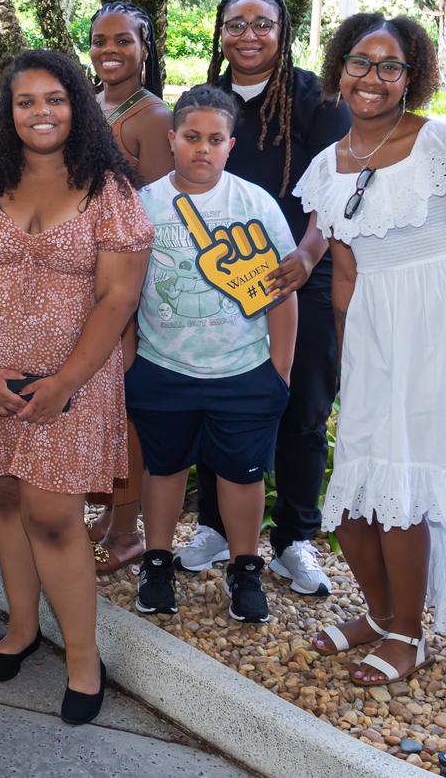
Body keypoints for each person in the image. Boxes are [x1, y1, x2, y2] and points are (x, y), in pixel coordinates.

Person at [293, 12, 446, 686]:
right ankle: (379, 612)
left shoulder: (440, 142)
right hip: (373, 329)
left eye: (389, 65)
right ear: (340, 66)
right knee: (357, 492)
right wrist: (348, 356)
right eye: (360, 62)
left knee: (403, 483)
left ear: (411, 77)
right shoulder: (328, 164)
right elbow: (341, 271)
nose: (371, 77)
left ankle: (408, 633)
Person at [0, 50, 152, 725]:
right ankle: (22, 626)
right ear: (8, 110)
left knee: (54, 516)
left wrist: (64, 383)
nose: (41, 112)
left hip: (71, 384)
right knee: (2, 493)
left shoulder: (111, 191)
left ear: (77, 104)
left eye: (55, 99)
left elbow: (117, 300)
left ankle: (83, 657)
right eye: (25, 101)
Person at [186, 0, 349, 598]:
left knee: (303, 405)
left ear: (284, 31)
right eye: (235, 24)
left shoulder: (317, 102)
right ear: (219, 33)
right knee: (215, 396)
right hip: (221, 276)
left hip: (299, 273)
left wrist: (307, 254)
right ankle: (215, 526)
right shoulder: (209, 102)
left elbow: (335, 191)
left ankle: (295, 538)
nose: (248, 35)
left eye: (262, 24)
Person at [128, 85, 297, 624]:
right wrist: (132, 362)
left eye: (215, 139)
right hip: (163, 366)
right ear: (171, 138)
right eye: (192, 137)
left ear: (231, 145)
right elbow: (121, 291)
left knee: (243, 474)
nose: (203, 148)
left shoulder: (255, 204)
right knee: (165, 466)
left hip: (244, 368)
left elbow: (282, 289)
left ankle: (245, 568)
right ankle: (156, 562)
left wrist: (280, 371)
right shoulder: (144, 204)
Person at [85, 0, 175, 573]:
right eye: (99, 40)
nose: (109, 51)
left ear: (145, 48)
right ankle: (108, 510)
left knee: (124, 407)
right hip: (82, 271)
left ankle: (125, 531)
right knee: (96, 400)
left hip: (128, 276)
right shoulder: (91, 104)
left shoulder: (153, 118)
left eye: (123, 40)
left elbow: (162, 213)